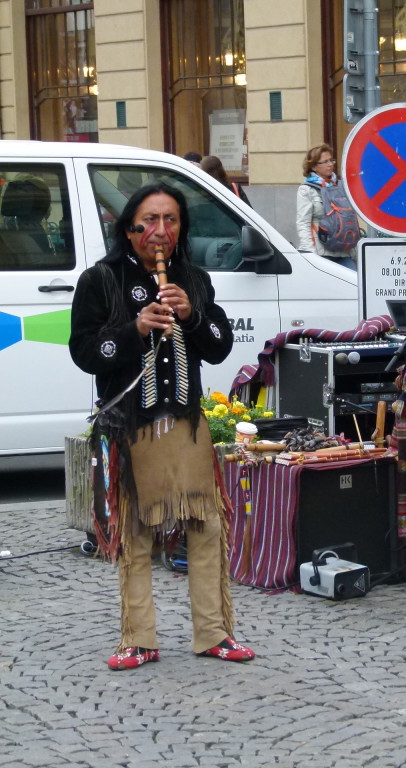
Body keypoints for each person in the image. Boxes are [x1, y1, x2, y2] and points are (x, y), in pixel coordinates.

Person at [69, 182, 255, 670]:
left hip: (186, 422)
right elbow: (85, 353)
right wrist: (134, 329)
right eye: (148, 221)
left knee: (207, 524)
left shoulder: (192, 278)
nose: (160, 231)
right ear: (129, 229)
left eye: (170, 220)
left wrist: (192, 317)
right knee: (135, 531)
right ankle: (139, 638)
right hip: (131, 424)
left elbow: (218, 344)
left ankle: (213, 633)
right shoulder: (101, 279)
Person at [296, 143, 355, 269]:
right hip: (321, 252)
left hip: (344, 249)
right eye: (325, 161)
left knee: (354, 285)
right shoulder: (307, 189)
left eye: (331, 160)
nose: (330, 164)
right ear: (314, 167)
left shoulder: (341, 186)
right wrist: (309, 253)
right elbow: (303, 222)